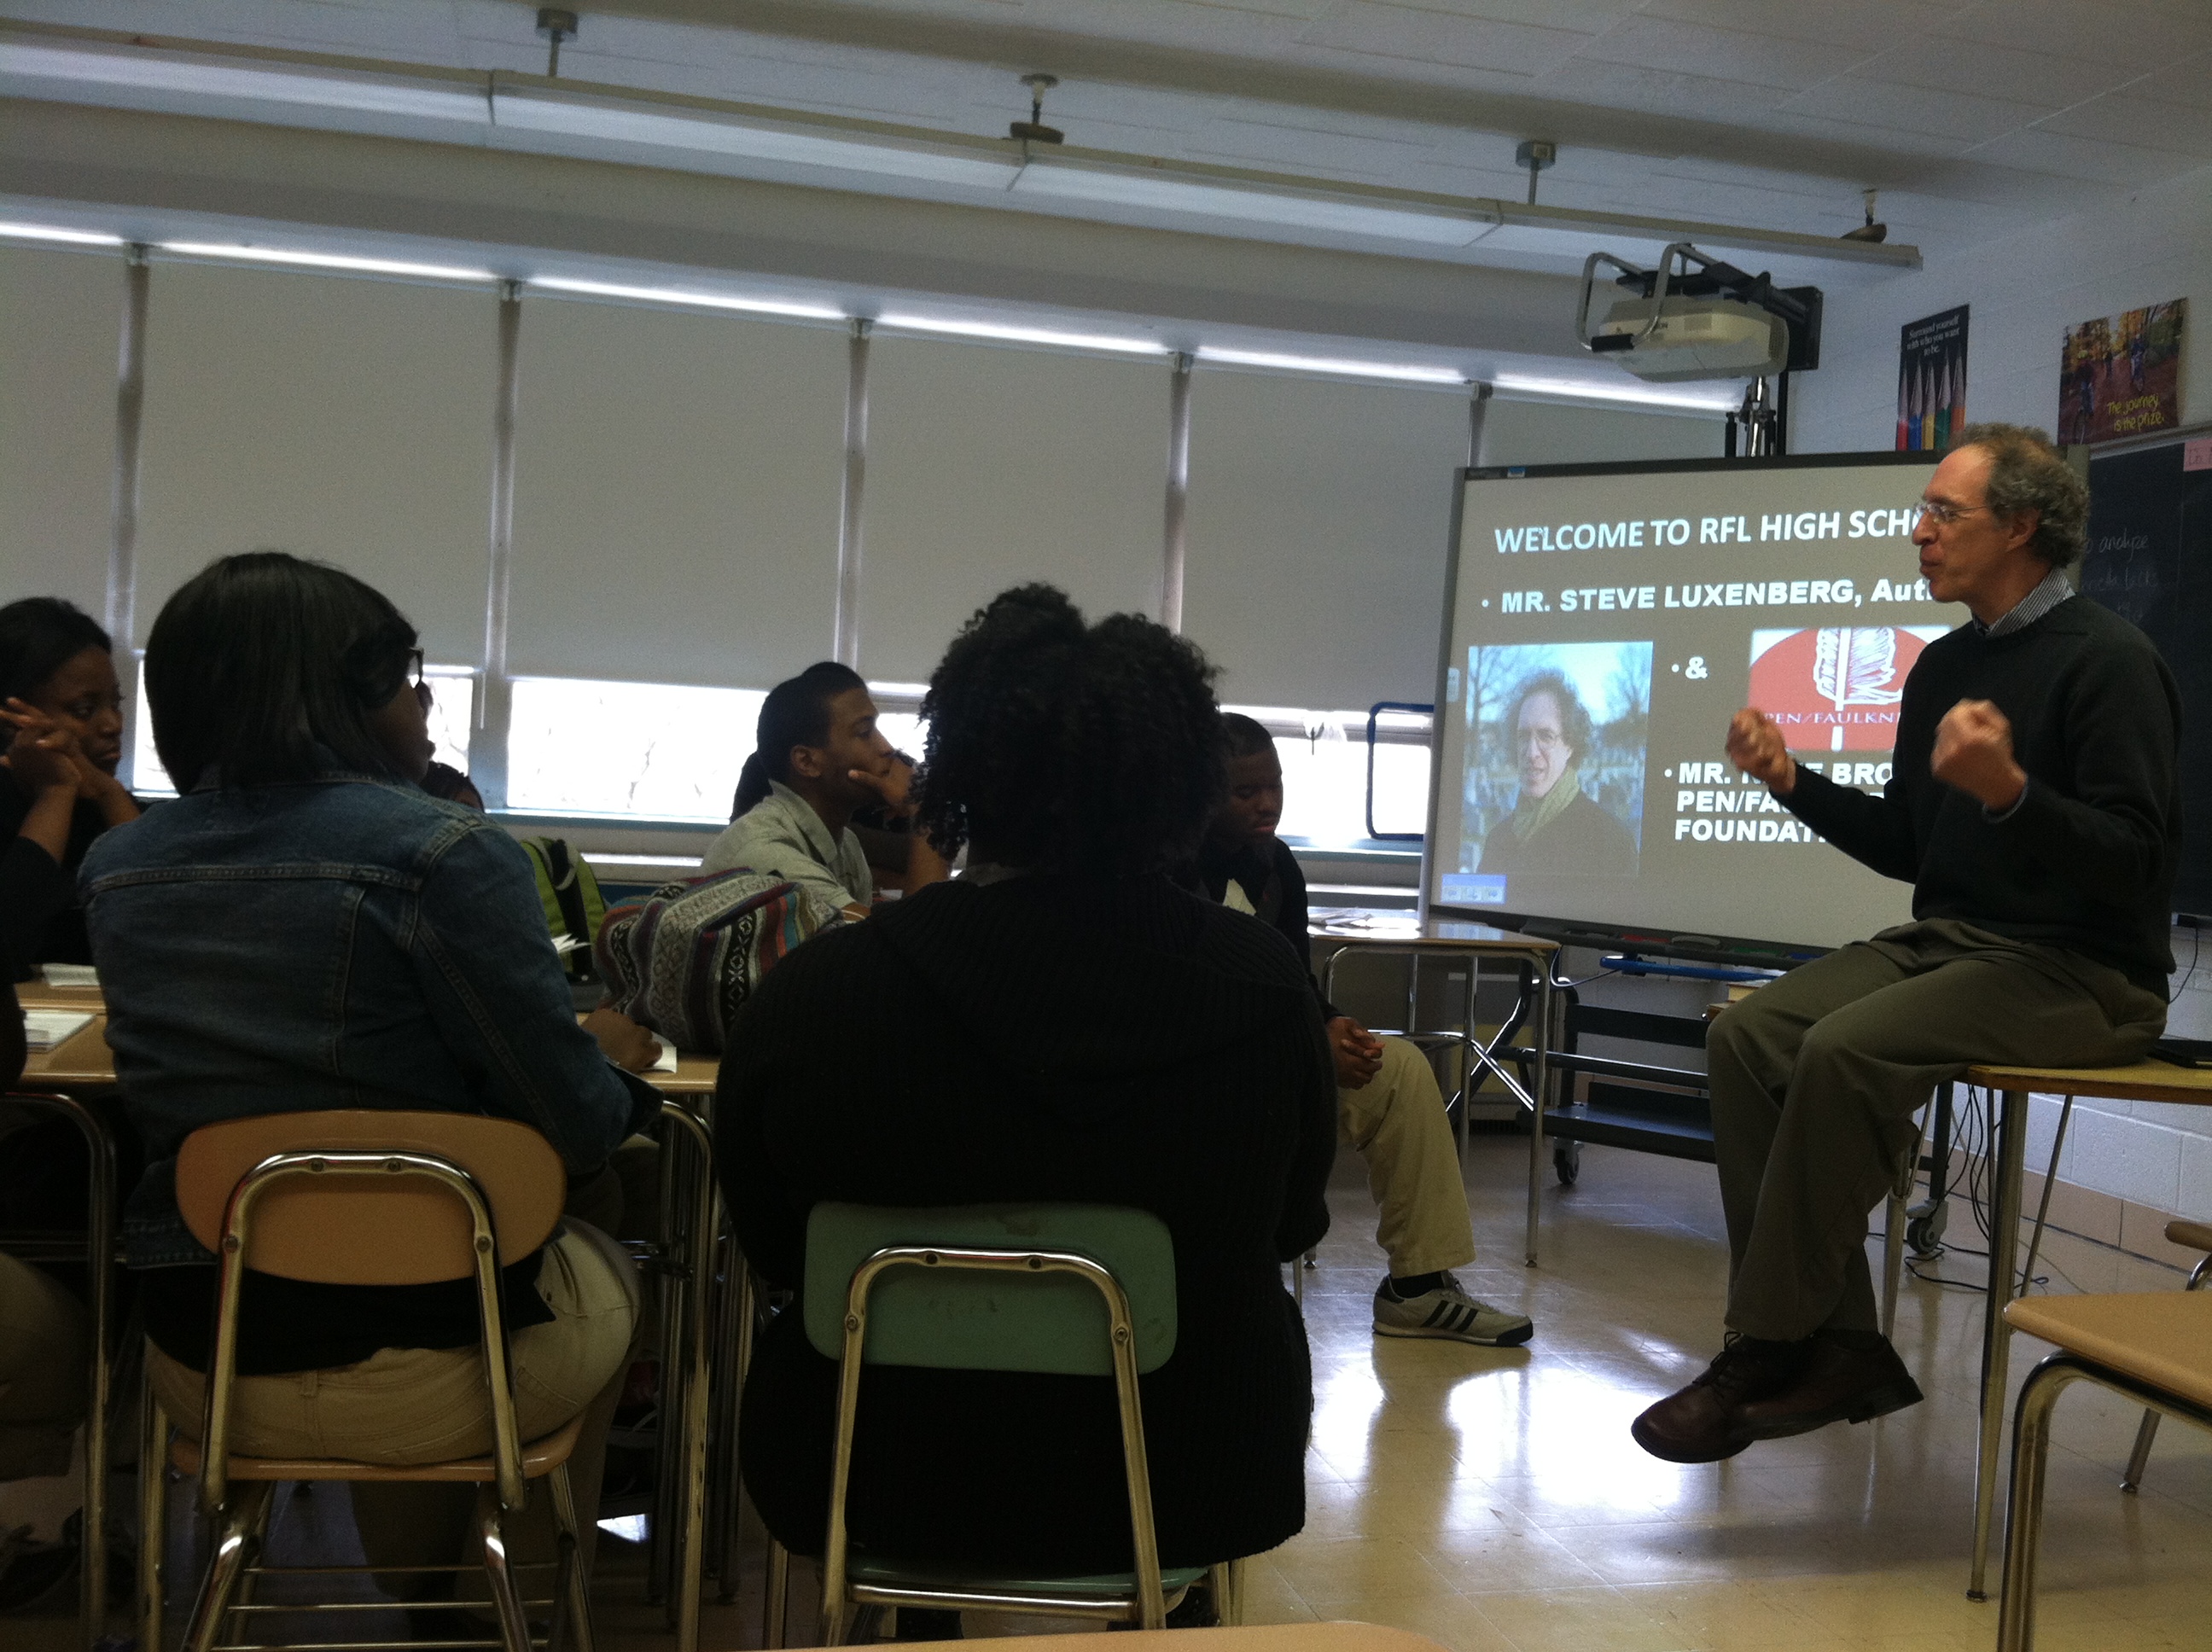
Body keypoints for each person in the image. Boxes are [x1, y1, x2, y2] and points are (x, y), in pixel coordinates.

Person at [720, 585, 1335, 1590]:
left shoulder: (822, 992)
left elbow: (774, 1241)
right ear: (1181, 782)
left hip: (867, 1469)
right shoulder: (1263, 988)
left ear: (958, 773)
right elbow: (1292, 1226)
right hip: (1186, 1475)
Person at [80, 551, 665, 1593]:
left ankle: (431, 1590)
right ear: (332, 702)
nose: (428, 699)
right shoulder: (445, 853)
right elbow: (573, 1123)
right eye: (405, 678)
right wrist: (608, 1058)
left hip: (201, 1357)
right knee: (614, 1248)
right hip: (442, 1359)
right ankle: (506, 1598)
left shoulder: (121, 869)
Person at [1632, 425, 2179, 1464]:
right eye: (1922, 512)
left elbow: (2137, 859)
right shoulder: (1944, 665)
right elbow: (1908, 844)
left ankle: (1766, 1346)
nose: (1916, 532)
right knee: (1749, 1036)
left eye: (1942, 513)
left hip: (2084, 971)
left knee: (1844, 1050)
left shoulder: (2112, 662)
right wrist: (1790, 782)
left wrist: (2017, 795)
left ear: (2021, 525)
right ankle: (1837, 1338)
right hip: (1956, 941)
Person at [1198, 714, 1532, 1347]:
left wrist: (1330, 1025)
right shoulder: (1164, 869)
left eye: (1275, 785)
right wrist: (1306, 1047)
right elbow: (1188, 1009)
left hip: (1281, 1063)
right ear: (1201, 793)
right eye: (1245, 793)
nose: (1266, 803)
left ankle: (1418, 1289)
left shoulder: (1278, 869)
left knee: (1399, 1067)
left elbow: (1293, 981)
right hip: (1209, 1079)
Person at [704, 662, 946, 919]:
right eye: (865, 732)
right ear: (807, 762)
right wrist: (925, 813)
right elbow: (905, 951)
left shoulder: (846, 846)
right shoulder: (766, 854)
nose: (887, 747)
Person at [0, 599, 141, 979]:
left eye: (117, 703)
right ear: (13, 719)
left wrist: (111, 796)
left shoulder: (114, 806)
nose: (113, 724)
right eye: (83, 709)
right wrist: (54, 793)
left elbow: (176, 931)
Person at [1475, 672, 1635, 879]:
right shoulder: (1498, 839)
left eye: (1546, 736)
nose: (1531, 752)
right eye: (1523, 736)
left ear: (1570, 745)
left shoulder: (1610, 840)